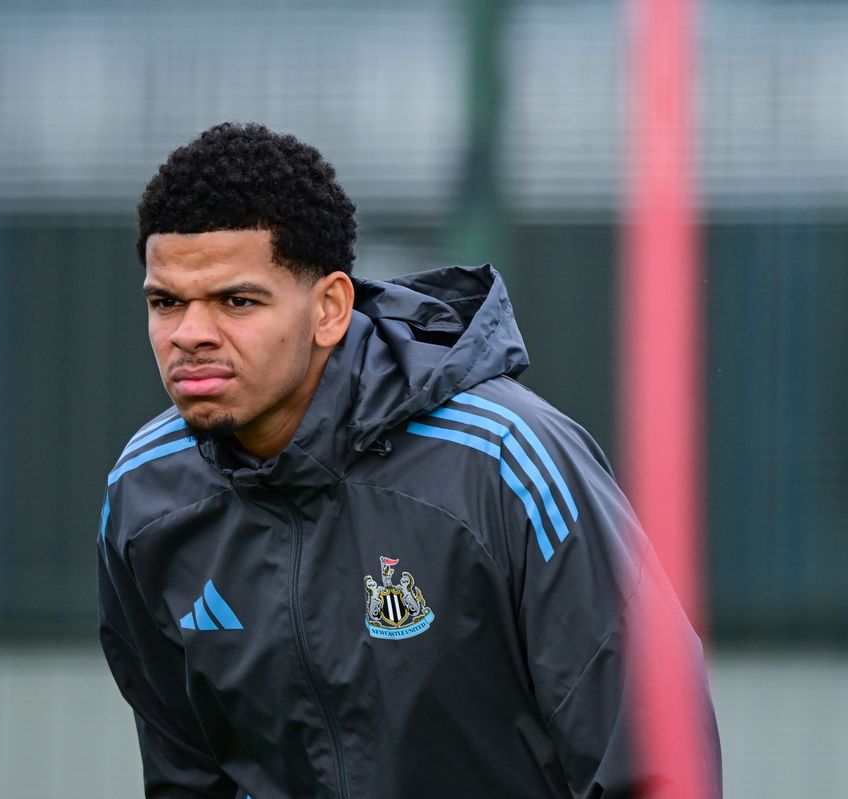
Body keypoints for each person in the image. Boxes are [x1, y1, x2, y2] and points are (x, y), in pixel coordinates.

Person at [98, 122, 720, 798]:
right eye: (166, 303)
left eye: (236, 301)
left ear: (330, 308)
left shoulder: (506, 463)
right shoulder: (145, 495)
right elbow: (186, 776)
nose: (189, 335)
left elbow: (656, 761)